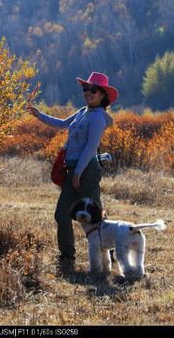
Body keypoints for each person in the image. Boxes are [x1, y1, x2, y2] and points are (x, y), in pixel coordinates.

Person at [26, 72, 118, 273]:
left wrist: (78, 173)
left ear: (102, 95)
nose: (88, 92)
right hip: (72, 171)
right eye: (86, 89)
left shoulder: (98, 118)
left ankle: (111, 257)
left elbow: (90, 147)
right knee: (61, 215)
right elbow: (61, 123)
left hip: (86, 171)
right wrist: (39, 115)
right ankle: (67, 258)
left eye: (93, 90)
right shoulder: (82, 112)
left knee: (95, 217)